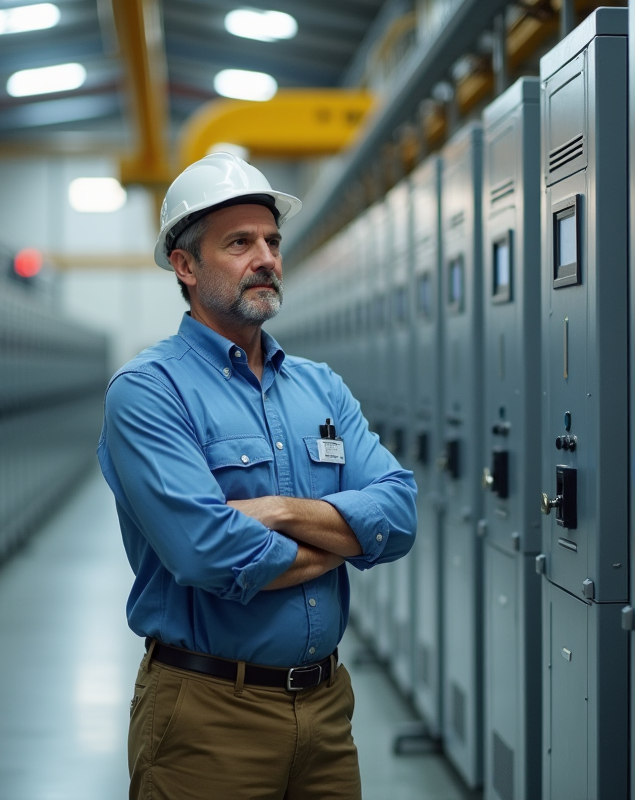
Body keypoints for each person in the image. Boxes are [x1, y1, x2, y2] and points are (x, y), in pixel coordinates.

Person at [97, 152, 417, 800]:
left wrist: (273, 512)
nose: (266, 257)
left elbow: (401, 512)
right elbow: (207, 551)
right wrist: (343, 540)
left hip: (327, 712)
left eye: (271, 240)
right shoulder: (149, 392)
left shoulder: (320, 387)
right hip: (208, 716)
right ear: (185, 266)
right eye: (239, 243)